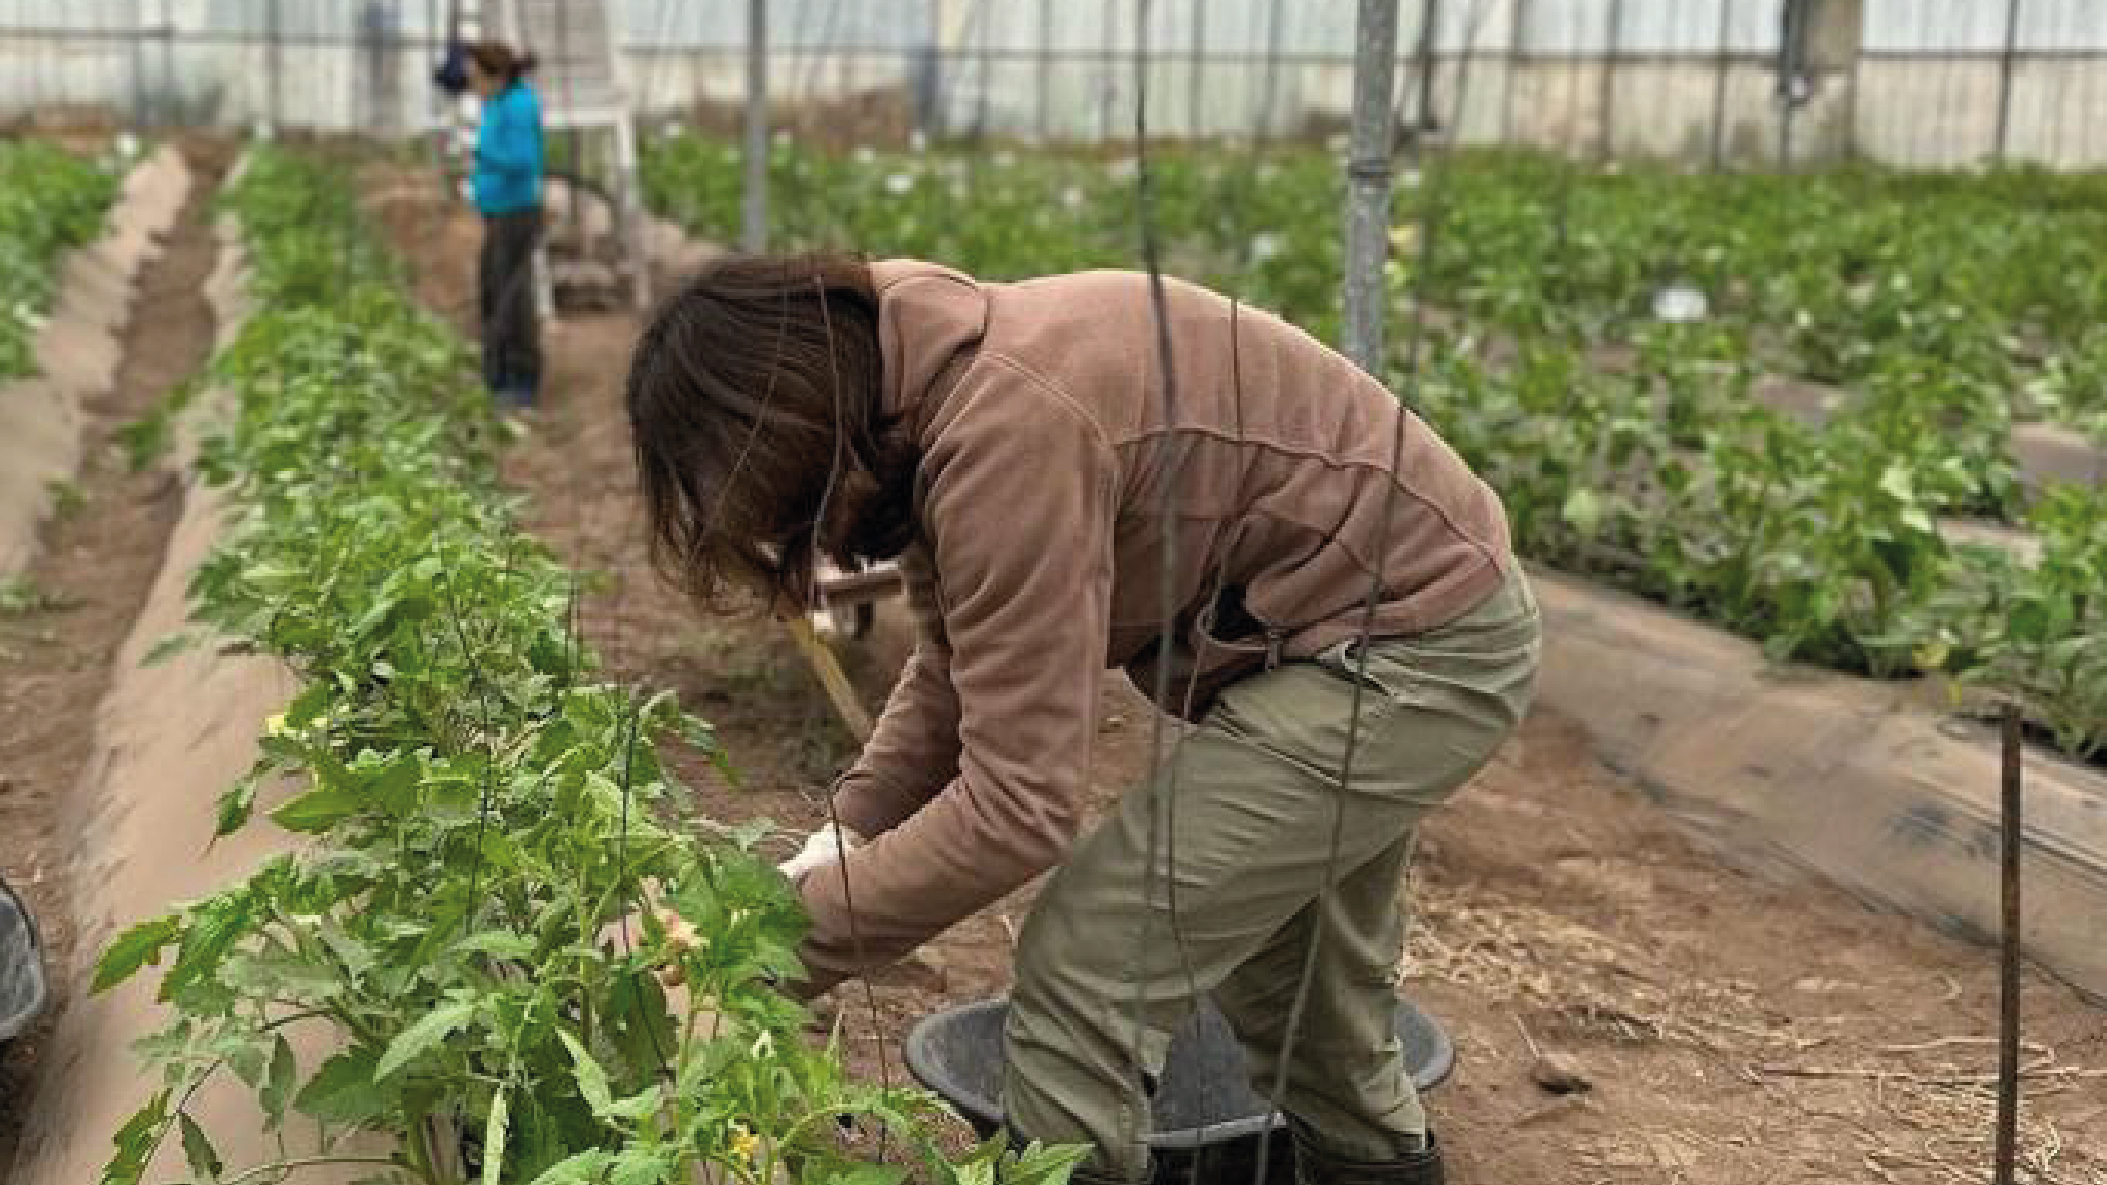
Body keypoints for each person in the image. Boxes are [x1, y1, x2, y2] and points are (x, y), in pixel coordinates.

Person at [627, 256, 1540, 1185]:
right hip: (1346, 624)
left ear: (791, 427)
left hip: (1414, 643)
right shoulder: (919, 385)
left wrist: (758, 949)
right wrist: (844, 831)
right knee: (1297, 986)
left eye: (779, 507)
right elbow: (959, 667)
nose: (808, 541)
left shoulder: (1004, 431)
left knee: (1090, 965)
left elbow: (1018, 808)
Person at [465, 42, 545, 411]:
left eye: (476, 77)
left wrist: (480, 152)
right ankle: (496, 373)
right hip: (499, 210)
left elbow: (524, 161)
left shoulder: (518, 105)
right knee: (492, 291)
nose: (472, 84)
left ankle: (522, 380)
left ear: (495, 76)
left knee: (512, 297)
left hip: (516, 212)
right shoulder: (498, 102)